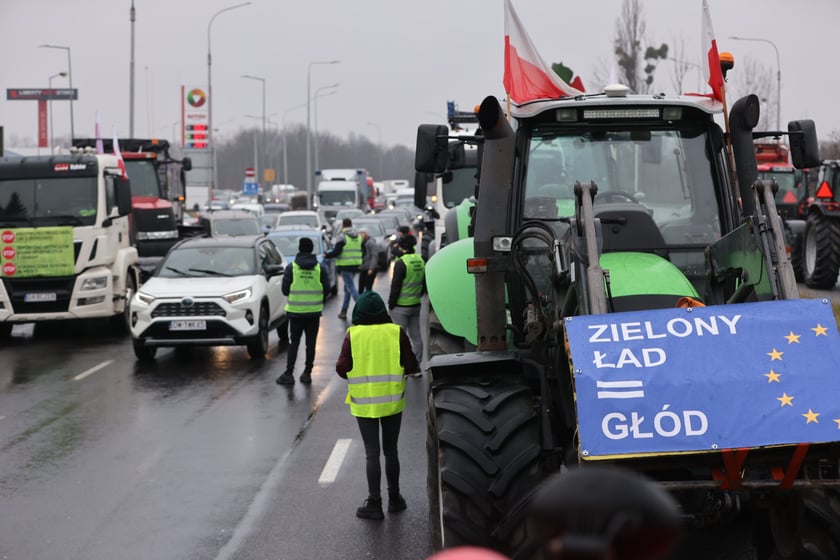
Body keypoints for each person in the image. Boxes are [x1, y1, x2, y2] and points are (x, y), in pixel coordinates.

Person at [335, 291, 419, 520]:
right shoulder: (396, 332)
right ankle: (395, 498)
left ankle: (374, 503)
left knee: (372, 452)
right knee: (391, 450)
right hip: (392, 401)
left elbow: (342, 369)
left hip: (364, 403)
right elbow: (412, 364)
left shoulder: (353, 335)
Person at [276, 237, 330, 386]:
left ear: (299, 248)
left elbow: (285, 290)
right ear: (312, 249)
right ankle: (307, 373)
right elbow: (327, 289)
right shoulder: (320, 268)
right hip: (314, 312)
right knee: (310, 343)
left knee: (294, 342)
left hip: (295, 313)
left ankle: (289, 373)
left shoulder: (291, 268)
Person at [388, 233, 426, 377]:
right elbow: (424, 283)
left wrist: (391, 304)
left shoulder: (401, 262)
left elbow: (395, 286)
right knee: (416, 337)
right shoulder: (421, 260)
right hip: (416, 305)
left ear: (402, 246)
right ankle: (415, 368)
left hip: (400, 307)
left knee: (399, 339)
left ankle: (402, 367)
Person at [324, 217, 362, 319]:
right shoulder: (358, 236)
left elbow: (337, 252)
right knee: (347, 288)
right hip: (355, 264)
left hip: (345, 265)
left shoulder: (342, 236)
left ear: (343, 225)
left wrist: (326, 255)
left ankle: (362, 308)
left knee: (351, 287)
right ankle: (343, 311)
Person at [358, 229, 379, 294]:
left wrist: (371, 268)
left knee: (368, 289)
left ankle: (367, 302)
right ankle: (361, 302)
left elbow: (374, 256)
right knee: (361, 288)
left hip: (369, 268)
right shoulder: (362, 242)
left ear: (366, 234)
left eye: (362, 233)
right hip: (364, 268)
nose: (361, 235)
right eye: (360, 233)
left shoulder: (371, 243)